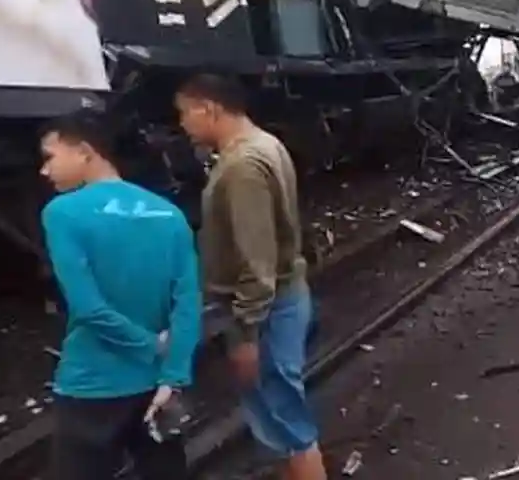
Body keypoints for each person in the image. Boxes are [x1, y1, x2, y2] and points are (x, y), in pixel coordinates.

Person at [174, 74, 328, 480]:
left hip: (269, 309)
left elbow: (257, 264)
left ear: (209, 108)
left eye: (185, 113)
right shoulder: (266, 144)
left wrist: (245, 335)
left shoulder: (242, 166)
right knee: (282, 408)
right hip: (285, 295)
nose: (183, 124)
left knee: (285, 417)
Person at [38, 109, 201, 480]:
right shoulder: (169, 214)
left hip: (92, 384)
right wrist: (173, 375)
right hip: (157, 385)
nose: (44, 171)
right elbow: (189, 302)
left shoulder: (62, 213)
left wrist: (149, 344)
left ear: (83, 151)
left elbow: (88, 308)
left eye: (49, 157)